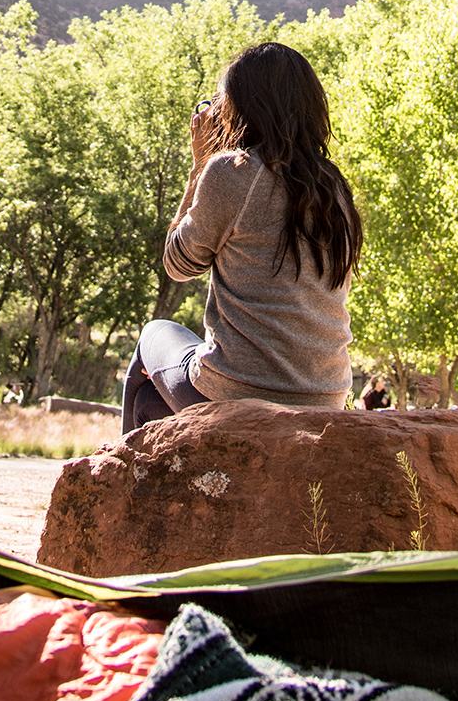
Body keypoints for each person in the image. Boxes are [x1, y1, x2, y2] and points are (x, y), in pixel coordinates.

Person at [121, 40, 363, 435]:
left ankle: (119, 483)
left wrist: (199, 166)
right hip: (326, 395)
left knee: (152, 336)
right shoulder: (334, 188)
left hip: (235, 389)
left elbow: (178, 264)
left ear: (243, 106)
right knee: (151, 404)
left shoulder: (232, 172)